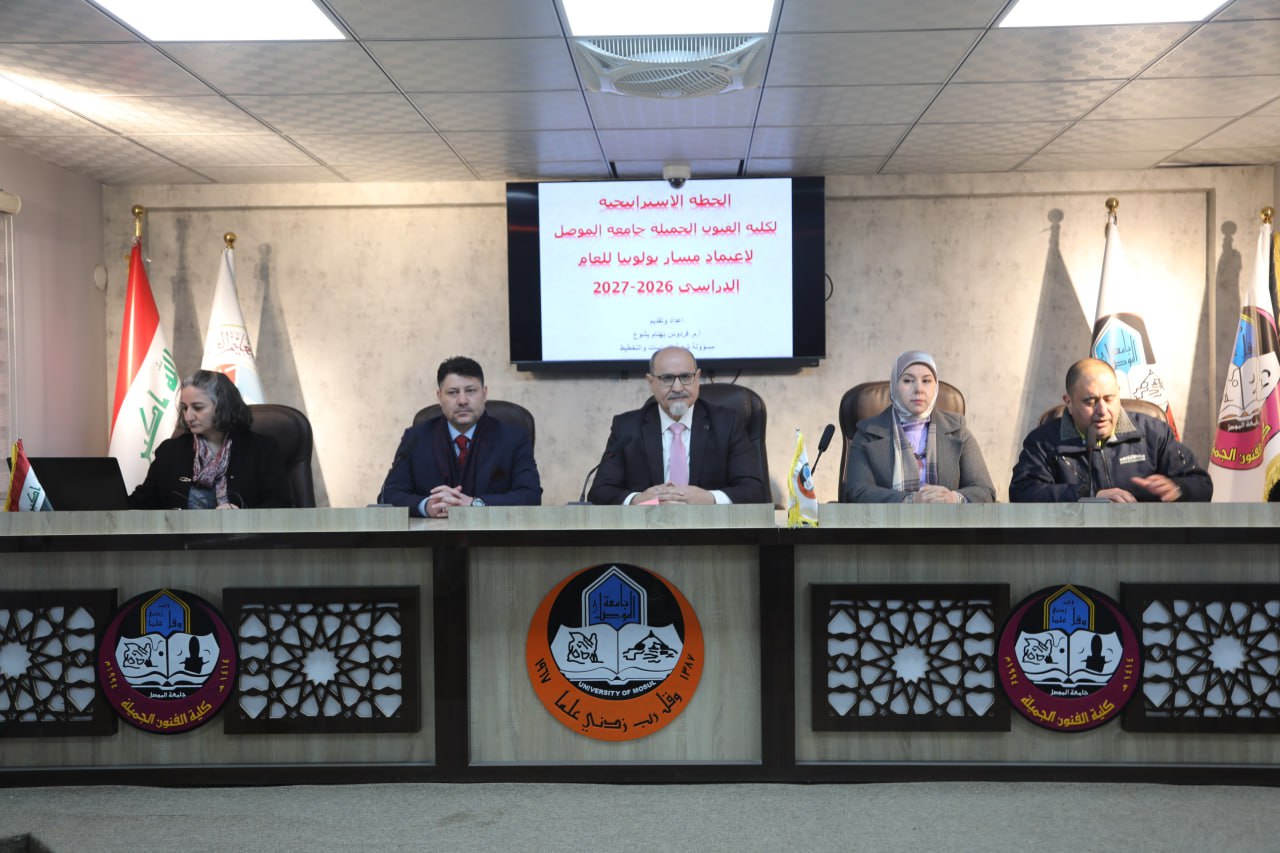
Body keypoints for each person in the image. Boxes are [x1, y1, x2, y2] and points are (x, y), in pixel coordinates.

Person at [1009, 357, 1212, 503]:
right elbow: (1022, 492)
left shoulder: (1154, 433)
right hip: (1075, 543)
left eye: (1109, 399)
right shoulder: (1044, 442)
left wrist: (1177, 488)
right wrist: (1089, 496)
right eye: (1090, 401)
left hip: (1145, 543)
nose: (1102, 410)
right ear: (1068, 402)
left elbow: (1202, 485)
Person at [586, 346, 768, 505]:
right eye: (667, 378)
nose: (678, 388)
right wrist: (637, 499)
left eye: (686, 377)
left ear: (697, 378)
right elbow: (600, 491)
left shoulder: (727, 423)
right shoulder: (627, 428)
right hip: (648, 529)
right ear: (651, 382)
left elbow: (754, 490)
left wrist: (710, 498)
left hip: (711, 529)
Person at [380, 356, 541, 517]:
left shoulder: (513, 438)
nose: (462, 401)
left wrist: (475, 504)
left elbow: (531, 496)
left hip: (491, 531)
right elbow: (389, 495)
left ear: (484, 393)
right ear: (439, 396)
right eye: (453, 392)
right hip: (432, 531)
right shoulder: (416, 438)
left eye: (470, 391)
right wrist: (426, 506)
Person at [842, 350, 996, 503]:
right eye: (908, 381)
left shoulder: (958, 430)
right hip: (888, 520)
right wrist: (910, 500)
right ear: (894, 385)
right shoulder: (867, 433)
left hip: (946, 519)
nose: (919, 389)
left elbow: (985, 491)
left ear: (935, 387)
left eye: (927, 381)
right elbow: (857, 492)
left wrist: (954, 498)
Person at [129, 370, 293, 509]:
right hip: (182, 537)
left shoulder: (262, 450)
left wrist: (243, 514)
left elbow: (280, 504)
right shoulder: (170, 451)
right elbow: (142, 503)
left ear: (223, 406)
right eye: (184, 408)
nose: (188, 416)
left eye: (198, 408)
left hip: (244, 536)